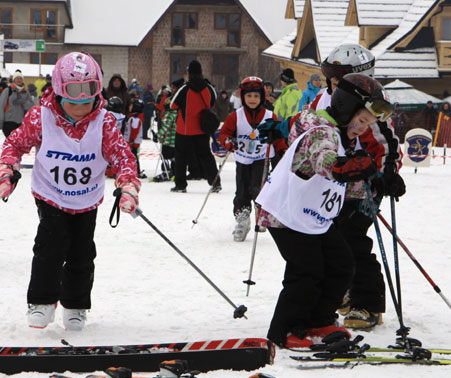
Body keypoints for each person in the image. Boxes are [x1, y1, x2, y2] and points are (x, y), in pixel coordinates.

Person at [259, 43, 403, 330]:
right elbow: (308, 125)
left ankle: (366, 302)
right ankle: (339, 296)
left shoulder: (369, 106)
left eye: (342, 77)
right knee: (330, 252)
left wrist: (387, 174)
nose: (336, 84)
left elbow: (386, 145)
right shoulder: (329, 100)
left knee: (352, 245)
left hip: (360, 185)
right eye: (333, 78)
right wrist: (279, 128)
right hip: (328, 188)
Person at [0, 52, 140, 331]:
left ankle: (75, 305)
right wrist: (7, 170)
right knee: (51, 243)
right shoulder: (41, 116)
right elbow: (15, 145)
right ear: (60, 90)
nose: (81, 103)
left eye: (89, 95)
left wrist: (128, 185)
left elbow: (123, 156)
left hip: (86, 198)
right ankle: (42, 301)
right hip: (51, 193)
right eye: (73, 95)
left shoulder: (105, 122)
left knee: (82, 252)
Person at [219, 76, 287, 242]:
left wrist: (282, 150)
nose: (252, 100)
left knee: (259, 188)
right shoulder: (236, 116)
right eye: (249, 96)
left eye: (256, 96)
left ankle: (261, 212)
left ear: (262, 97)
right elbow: (224, 134)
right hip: (242, 159)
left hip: (262, 158)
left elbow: (279, 136)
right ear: (243, 97)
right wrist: (228, 142)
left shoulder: (270, 116)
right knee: (241, 190)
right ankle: (242, 218)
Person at [169, 59, 220, 193]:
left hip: (184, 129)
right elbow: (213, 103)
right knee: (206, 155)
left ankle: (180, 185)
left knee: (181, 157)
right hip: (202, 129)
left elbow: (172, 105)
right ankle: (215, 182)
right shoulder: (209, 88)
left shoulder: (184, 89)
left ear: (188, 73)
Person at [0, 71, 35, 137]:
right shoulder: (8, 91)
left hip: (21, 123)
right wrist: (0, 120)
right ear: (14, 80)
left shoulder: (25, 92)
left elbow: (31, 107)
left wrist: (23, 102)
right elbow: (1, 106)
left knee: (19, 145)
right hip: (8, 121)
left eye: (20, 78)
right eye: (17, 78)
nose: (19, 80)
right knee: (11, 144)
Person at [125, 98, 146, 178]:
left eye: (131, 105)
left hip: (133, 143)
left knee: (133, 157)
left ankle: (135, 171)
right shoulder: (134, 118)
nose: (129, 107)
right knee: (133, 156)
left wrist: (130, 142)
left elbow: (134, 130)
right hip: (133, 142)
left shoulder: (135, 119)